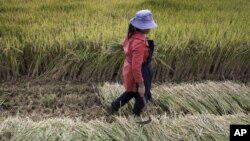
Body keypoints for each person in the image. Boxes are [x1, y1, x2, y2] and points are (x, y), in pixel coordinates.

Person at [108, 9, 157, 116]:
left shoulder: (130, 34)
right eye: (148, 26)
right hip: (139, 70)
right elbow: (136, 67)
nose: (150, 28)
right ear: (143, 27)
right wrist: (141, 84)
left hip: (130, 67)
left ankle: (114, 106)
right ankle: (135, 115)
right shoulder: (139, 43)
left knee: (132, 91)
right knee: (141, 93)